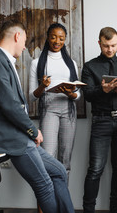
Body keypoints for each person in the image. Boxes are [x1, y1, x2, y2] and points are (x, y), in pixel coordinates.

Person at [0, 20, 74, 213]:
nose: (25, 46)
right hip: (9, 137)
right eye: (25, 40)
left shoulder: (4, 62)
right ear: (17, 36)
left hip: (19, 135)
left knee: (59, 171)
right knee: (44, 184)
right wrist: (33, 130)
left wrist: (30, 132)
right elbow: (9, 105)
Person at [81, 27, 117, 213]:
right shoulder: (89, 66)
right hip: (101, 122)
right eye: (106, 46)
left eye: (113, 45)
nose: (110, 49)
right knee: (95, 168)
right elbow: (87, 95)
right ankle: (88, 210)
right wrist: (102, 90)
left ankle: (116, 209)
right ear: (99, 43)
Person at [29, 23, 80, 175]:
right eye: (53, 37)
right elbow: (31, 97)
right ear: (47, 38)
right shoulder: (37, 63)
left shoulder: (72, 64)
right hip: (49, 110)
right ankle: (48, 199)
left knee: (65, 161)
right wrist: (42, 86)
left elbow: (78, 95)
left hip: (68, 110)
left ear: (65, 40)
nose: (57, 41)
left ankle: (62, 198)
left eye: (61, 38)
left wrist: (70, 94)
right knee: (48, 158)